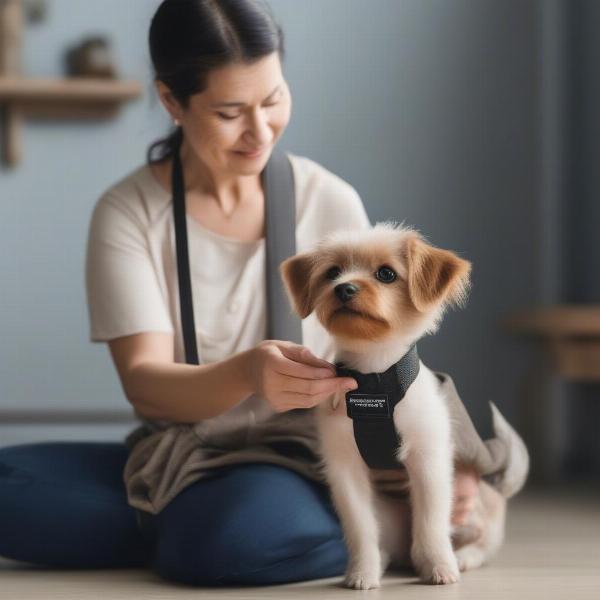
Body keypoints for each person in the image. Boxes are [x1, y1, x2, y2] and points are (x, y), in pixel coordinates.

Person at [83, 0, 484, 586]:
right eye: (229, 111)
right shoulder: (128, 213)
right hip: (190, 445)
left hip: (301, 452)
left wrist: (442, 458)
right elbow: (146, 384)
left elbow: (388, 342)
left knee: (231, 541)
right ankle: (191, 519)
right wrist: (247, 374)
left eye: (273, 99)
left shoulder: (329, 200)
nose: (260, 130)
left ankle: (344, 530)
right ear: (172, 101)